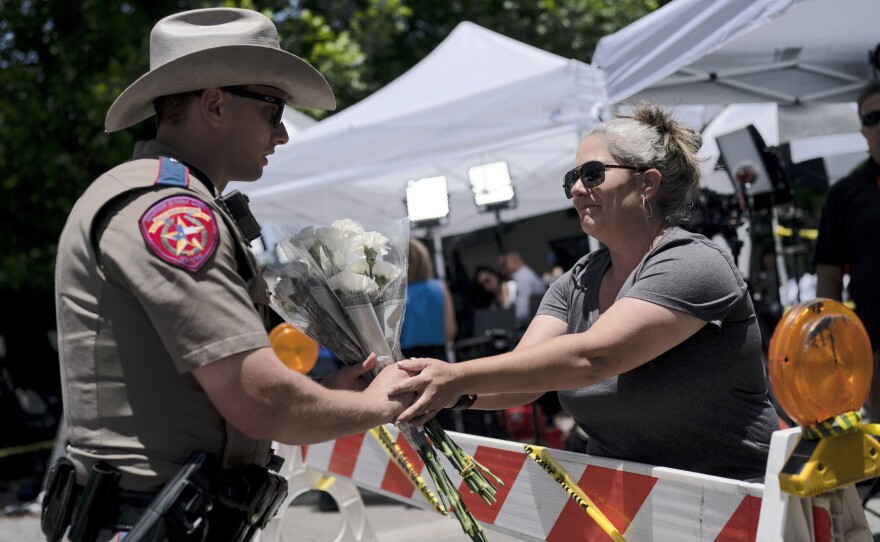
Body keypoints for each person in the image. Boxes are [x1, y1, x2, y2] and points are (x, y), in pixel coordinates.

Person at [47, 8, 411, 541]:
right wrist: (379, 405)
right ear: (215, 104)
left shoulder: (163, 198)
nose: (282, 133)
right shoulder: (170, 213)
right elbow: (258, 400)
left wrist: (325, 391)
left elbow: (210, 396)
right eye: (273, 108)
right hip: (153, 521)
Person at [389, 102, 779, 482]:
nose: (576, 189)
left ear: (648, 182)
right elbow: (523, 376)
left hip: (732, 500)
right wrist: (434, 394)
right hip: (621, 499)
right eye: (571, 179)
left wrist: (454, 377)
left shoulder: (692, 262)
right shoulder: (575, 282)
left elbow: (595, 356)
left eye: (592, 174)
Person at [814, 79, 880, 422]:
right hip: (875, 344)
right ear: (863, 130)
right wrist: (830, 343)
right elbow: (829, 274)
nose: (879, 125)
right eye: (872, 118)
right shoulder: (845, 194)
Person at [400, 238, 458, 360]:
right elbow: (450, 331)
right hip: (438, 356)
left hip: (407, 357)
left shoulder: (400, 294)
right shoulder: (440, 287)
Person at [499, 250, 547, 328]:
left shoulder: (522, 277)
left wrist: (513, 324)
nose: (502, 271)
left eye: (504, 265)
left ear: (512, 262)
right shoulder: (524, 274)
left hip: (534, 323)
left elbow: (523, 311)